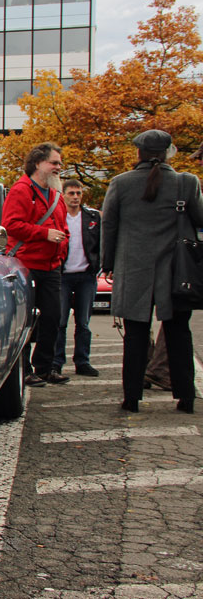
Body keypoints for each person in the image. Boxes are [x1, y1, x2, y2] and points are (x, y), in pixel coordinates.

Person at [101, 129, 203, 414]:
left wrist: (108, 264)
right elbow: (200, 220)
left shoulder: (121, 184)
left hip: (133, 268)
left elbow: (109, 227)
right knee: (179, 334)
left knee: (135, 336)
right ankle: (186, 398)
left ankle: (131, 398)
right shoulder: (187, 183)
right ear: (169, 152)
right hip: (176, 272)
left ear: (139, 153)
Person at [2, 142, 71, 387]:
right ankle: (25, 369)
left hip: (52, 267)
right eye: (54, 163)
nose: (58, 167)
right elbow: (10, 224)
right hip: (27, 265)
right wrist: (45, 234)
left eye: (59, 164)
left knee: (53, 317)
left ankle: (45, 367)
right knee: (26, 321)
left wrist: (61, 247)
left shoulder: (56, 194)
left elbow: (63, 228)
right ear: (38, 163)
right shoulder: (21, 190)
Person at [53, 179, 101, 377]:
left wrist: (100, 266)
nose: (75, 197)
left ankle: (82, 361)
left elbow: (100, 242)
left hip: (86, 276)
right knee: (60, 321)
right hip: (63, 275)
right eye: (71, 193)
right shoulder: (58, 216)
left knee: (83, 323)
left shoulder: (92, 217)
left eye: (78, 193)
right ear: (63, 195)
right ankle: (56, 362)